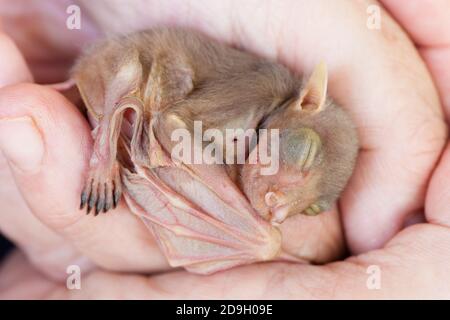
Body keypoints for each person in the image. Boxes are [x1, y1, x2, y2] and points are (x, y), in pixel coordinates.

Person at [0, 0, 449, 298]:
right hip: (130, 73)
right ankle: (102, 156)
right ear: (306, 101)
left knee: (261, 237)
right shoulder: (264, 89)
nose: (277, 198)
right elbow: (174, 125)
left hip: (130, 112)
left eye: (303, 206)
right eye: (301, 153)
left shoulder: (251, 162)